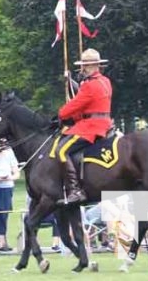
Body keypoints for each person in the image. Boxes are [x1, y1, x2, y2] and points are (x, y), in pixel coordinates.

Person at [53, 48, 112, 205]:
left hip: (91, 127)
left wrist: (61, 115)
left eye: (84, 66)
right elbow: (89, 106)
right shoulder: (105, 81)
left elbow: (71, 108)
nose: (82, 69)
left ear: (92, 66)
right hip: (104, 123)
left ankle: (75, 190)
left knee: (61, 150)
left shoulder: (89, 85)